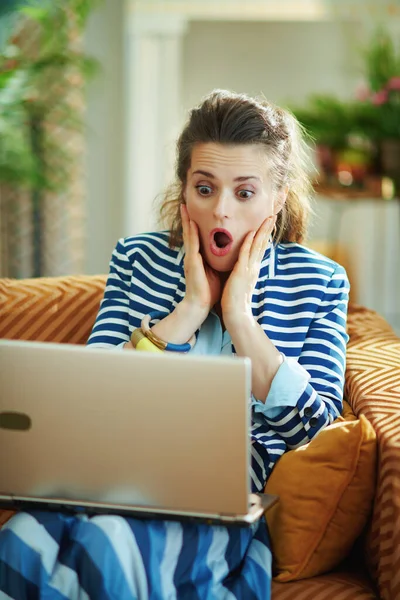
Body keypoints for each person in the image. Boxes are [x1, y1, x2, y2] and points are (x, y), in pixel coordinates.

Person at [0, 89, 349, 599]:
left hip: (216, 501)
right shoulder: (137, 259)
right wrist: (185, 312)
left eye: (245, 193)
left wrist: (239, 317)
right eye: (204, 188)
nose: (221, 212)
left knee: (108, 540)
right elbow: (93, 394)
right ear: (184, 191)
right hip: (109, 475)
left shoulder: (320, 281)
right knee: (21, 539)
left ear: (278, 199)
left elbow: (311, 426)